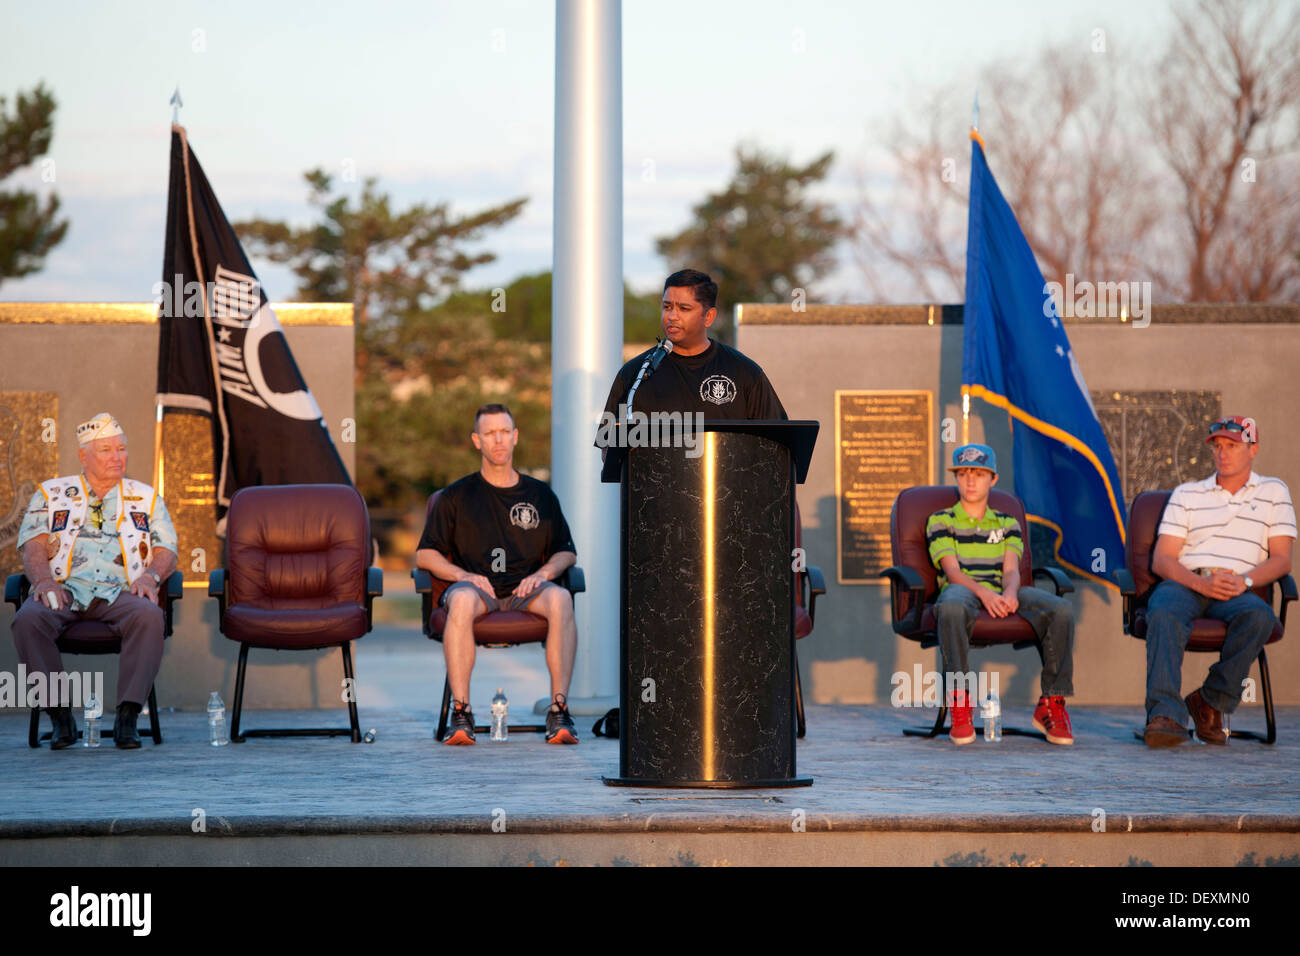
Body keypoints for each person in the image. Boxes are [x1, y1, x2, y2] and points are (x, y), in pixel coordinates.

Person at [416, 404, 580, 745]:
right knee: (460, 598)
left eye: (505, 432)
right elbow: (425, 554)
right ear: (477, 441)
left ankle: (559, 711)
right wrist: (464, 575)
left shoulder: (540, 494)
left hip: (526, 589)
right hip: (478, 590)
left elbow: (567, 550)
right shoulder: (456, 496)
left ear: (515, 437)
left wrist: (545, 572)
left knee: (562, 598)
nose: (498, 440)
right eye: (489, 433)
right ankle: (461, 714)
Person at [12, 412, 178, 749]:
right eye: (106, 450)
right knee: (28, 619)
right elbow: (33, 546)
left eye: (121, 449)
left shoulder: (145, 497)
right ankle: (59, 716)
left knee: (149, 615)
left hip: (119, 591)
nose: (118, 457)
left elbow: (167, 549)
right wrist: (43, 582)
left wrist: (151, 575)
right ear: (83, 456)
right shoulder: (52, 493)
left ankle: (128, 716)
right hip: (66, 588)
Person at [1143, 415, 1295, 748]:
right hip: (1187, 581)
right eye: (1218, 447)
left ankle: (1209, 702)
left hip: (1238, 586)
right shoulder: (1188, 494)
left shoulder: (1274, 491)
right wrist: (1200, 584)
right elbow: (1163, 559)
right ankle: (1165, 715)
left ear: (1253, 449)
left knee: (1259, 617)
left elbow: (1282, 559)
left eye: (1232, 446)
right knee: (1163, 611)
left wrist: (1245, 580)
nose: (1222, 454)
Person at [926, 443, 1076, 745]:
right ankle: (960, 699)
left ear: (992, 479)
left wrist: (1010, 592)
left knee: (1060, 609)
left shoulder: (1008, 522)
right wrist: (986, 595)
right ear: (957, 478)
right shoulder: (941, 520)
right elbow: (953, 573)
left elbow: (1011, 570)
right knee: (951, 606)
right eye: (964, 473)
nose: (970, 480)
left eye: (979, 474)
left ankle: (1051, 703)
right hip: (963, 590)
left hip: (1000, 588)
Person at [597, 269, 786, 477]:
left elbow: (778, 445)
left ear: (709, 316)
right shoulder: (636, 373)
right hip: (653, 504)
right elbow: (608, 447)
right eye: (667, 306)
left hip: (732, 501)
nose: (672, 316)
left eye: (684, 308)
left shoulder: (744, 372)